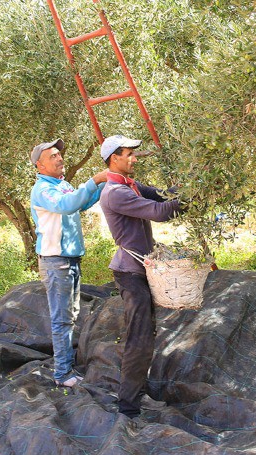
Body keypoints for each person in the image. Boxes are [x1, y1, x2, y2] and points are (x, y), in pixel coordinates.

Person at [98, 134, 182, 419]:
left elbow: (161, 195)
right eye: (129, 154)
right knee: (139, 337)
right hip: (130, 274)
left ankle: (135, 392)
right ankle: (128, 406)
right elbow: (160, 211)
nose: (134, 159)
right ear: (114, 159)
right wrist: (187, 200)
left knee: (146, 333)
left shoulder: (129, 185)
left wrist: (192, 187)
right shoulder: (115, 192)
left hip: (141, 269)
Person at [30, 138, 108, 388]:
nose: (60, 158)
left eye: (59, 154)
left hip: (70, 259)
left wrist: (104, 184)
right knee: (61, 319)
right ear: (40, 166)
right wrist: (95, 180)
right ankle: (63, 373)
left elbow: (81, 203)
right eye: (52, 156)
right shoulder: (43, 190)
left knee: (71, 314)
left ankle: (67, 365)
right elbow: (67, 205)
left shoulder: (62, 185)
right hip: (56, 262)